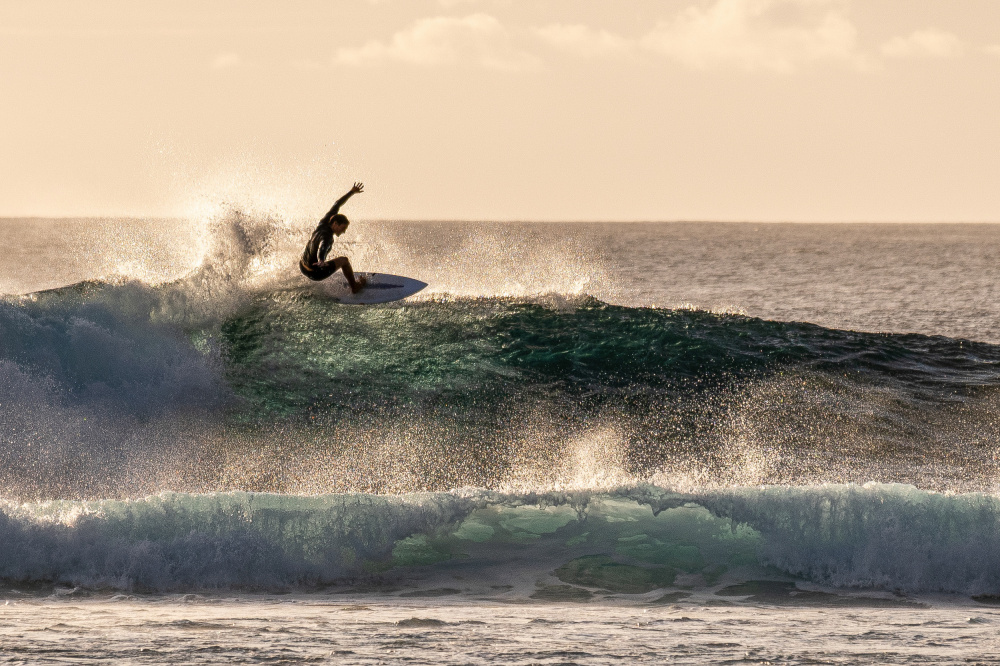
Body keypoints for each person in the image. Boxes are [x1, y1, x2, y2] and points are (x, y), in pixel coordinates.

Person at [299, 182, 367, 292]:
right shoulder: (328, 237)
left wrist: (351, 192)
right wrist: (321, 259)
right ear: (335, 224)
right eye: (343, 228)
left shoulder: (324, 222)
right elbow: (323, 246)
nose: (344, 232)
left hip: (302, 266)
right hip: (315, 273)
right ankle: (355, 287)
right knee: (344, 260)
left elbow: (337, 204)